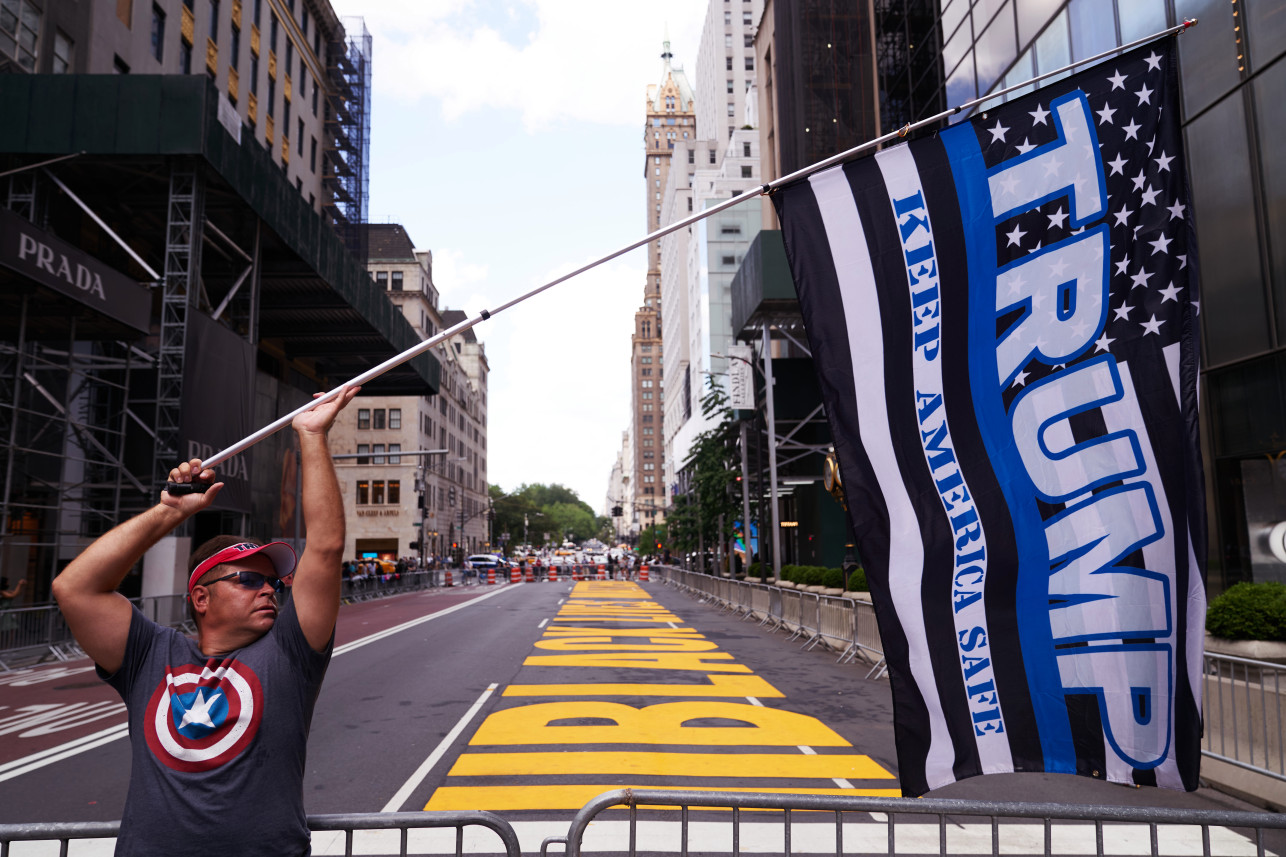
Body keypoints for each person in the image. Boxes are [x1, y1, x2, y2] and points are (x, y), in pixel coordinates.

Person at [52, 386, 358, 857]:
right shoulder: (148, 655)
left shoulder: (290, 653)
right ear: (200, 597)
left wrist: (312, 434)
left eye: (273, 584)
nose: (268, 591)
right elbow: (75, 589)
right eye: (247, 581)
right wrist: (169, 512)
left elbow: (325, 547)